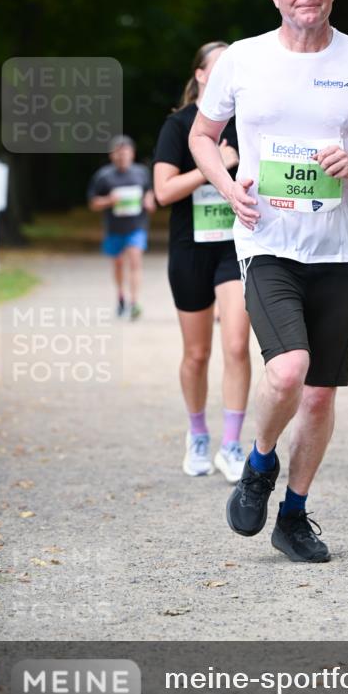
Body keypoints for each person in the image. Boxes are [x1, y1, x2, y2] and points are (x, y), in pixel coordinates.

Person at [189, 0, 348, 563]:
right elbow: (204, 136)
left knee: (320, 393)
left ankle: (294, 514)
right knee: (287, 370)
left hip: (338, 250)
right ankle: (260, 464)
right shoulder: (244, 60)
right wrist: (229, 188)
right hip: (266, 241)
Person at [153, 42, 251, 482]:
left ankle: (231, 444)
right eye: (220, 65)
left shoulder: (248, 121)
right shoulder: (179, 126)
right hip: (190, 248)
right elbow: (163, 192)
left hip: (236, 246)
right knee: (197, 353)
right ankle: (197, 435)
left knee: (235, 346)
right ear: (201, 76)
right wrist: (216, 166)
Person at [87, 135, 155, 319]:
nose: (122, 157)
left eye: (126, 153)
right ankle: (121, 297)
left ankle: (134, 302)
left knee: (135, 261)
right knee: (118, 264)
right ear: (112, 155)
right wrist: (109, 200)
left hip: (137, 226)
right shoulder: (103, 176)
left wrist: (149, 201)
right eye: (118, 153)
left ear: (132, 154)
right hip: (114, 228)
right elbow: (93, 203)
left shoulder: (141, 172)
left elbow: (149, 191)